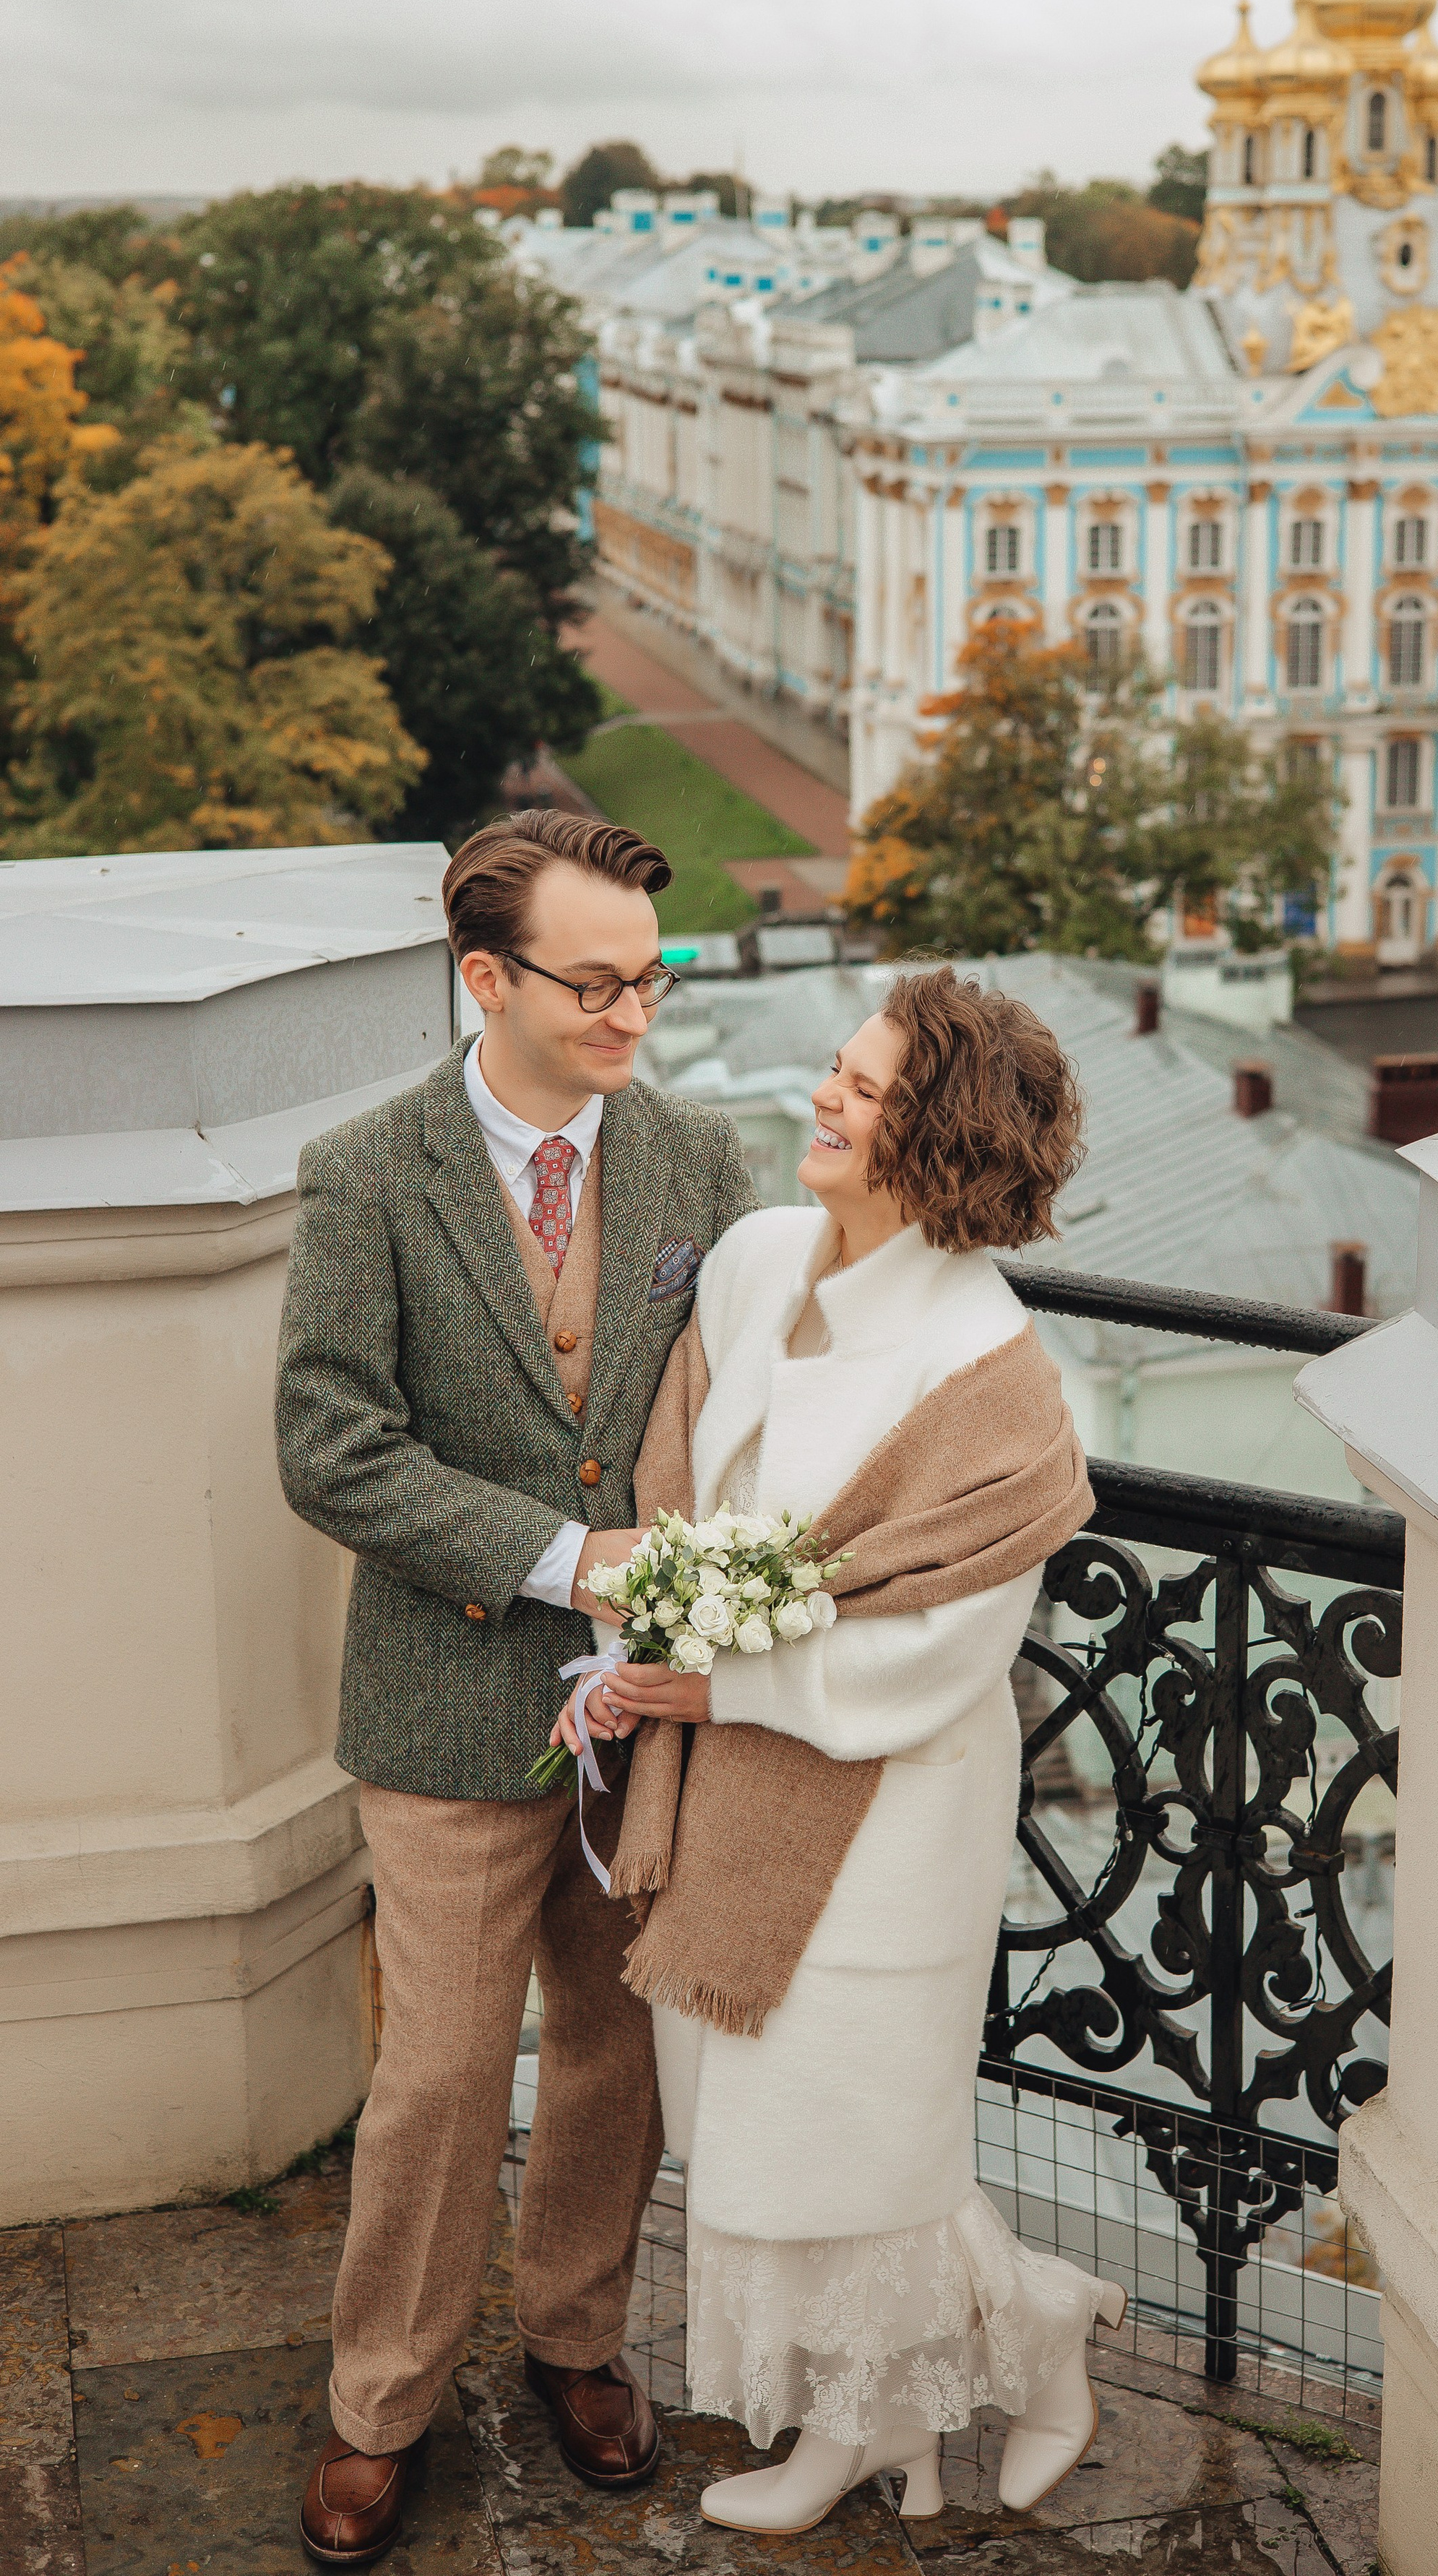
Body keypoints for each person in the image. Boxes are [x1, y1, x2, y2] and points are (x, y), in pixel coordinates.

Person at [558, 966, 1127, 2537]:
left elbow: (948, 1650)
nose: (826, 1096)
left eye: (866, 1089)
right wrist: (654, 1642)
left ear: (932, 1138)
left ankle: (909, 2405)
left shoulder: (990, 1378)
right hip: (728, 1783)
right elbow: (683, 1476)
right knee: (755, 2119)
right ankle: (910, 2403)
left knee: (856, 2136)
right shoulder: (752, 1263)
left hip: (885, 1803)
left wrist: (717, 1691)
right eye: (836, 1066)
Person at [275, 809, 756, 2568]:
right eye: (598, 980)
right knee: (443, 2073)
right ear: (487, 978)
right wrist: (572, 1560)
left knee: (617, 2045)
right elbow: (330, 1451)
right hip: (444, 1702)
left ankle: (577, 2341)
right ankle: (377, 2406)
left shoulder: (704, 1164)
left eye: (653, 975)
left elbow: (749, 1402)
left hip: (648, 1718)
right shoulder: (364, 1172)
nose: (635, 1011)